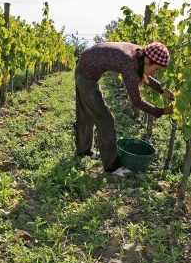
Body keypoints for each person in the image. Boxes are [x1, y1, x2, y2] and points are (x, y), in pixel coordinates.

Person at [74, 41, 174, 176]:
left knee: (86, 114)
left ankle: (83, 151)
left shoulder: (139, 55)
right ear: (148, 60)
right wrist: (161, 111)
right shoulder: (130, 63)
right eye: (156, 69)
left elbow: (144, 75)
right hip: (86, 75)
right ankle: (111, 166)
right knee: (105, 120)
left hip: (85, 66)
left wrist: (161, 89)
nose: (156, 73)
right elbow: (137, 101)